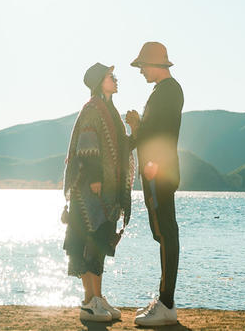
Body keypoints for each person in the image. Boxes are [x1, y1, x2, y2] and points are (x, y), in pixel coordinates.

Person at [63, 62, 136, 322]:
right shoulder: (93, 108)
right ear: (98, 81)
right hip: (89, 189)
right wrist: (94, 177)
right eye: (110, 76)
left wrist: (135, 131)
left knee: (100, 240)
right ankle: (88, 301)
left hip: (107, 189)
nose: (115, 80)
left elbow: (121, 146)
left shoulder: (110, 110)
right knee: (86, 240)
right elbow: (87, 141)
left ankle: (98, 297)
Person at [126, 42, 184, 327]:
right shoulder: (161, 92)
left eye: (142, 67)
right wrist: (137, 128)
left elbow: (166, 131)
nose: (140, 72)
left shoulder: (170, 91)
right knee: (162, 233)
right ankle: (164, 300)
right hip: (155, 172)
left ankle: (166, 304)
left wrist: (155, 163)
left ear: (154, 64)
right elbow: (152, 131)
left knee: (166, 232)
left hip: (158, 172)